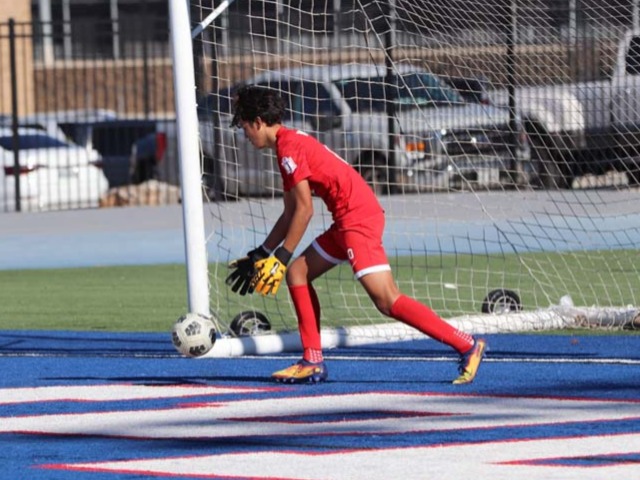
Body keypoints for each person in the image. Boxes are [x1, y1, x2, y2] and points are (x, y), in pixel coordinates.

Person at [225, 85, 486, 385]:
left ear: (258, 122)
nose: (244, 134)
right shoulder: (287, 145)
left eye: (244, 125)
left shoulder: (288, 149)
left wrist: (281, 257)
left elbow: (305, 211)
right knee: (298, 274)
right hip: (346, 219)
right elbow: (290, 212)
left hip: (357, 218)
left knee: (386, 300)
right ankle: (312, 360)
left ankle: (467, 345)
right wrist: (262, 253)